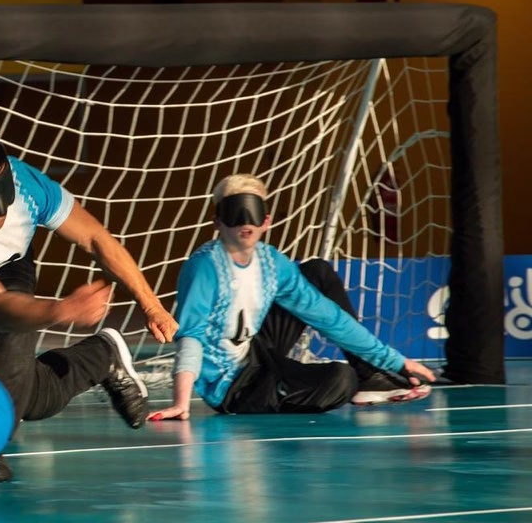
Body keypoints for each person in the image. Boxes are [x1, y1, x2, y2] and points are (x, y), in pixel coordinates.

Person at [0, 127, 179, 482]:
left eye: (2, 192)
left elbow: (94, 237)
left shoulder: (25, 183)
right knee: (30, 398)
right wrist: (61, 311)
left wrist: (151, 304)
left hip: (9, 267)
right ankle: (102, 356)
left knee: (6, 402)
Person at [150, 173, 436, 421]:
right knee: (339, 380)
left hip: (255, 350)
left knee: (316, 271)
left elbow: (328, 316)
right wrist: (181, 402)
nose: (244, 222)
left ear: (266, 221)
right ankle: (287, 387)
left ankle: (370, 376)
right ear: (218, 223)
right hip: (232, 385)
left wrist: (395, 361)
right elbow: (191, 334)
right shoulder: (205, 267)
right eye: (234, 213)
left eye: (252, 212)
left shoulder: (271, 262)